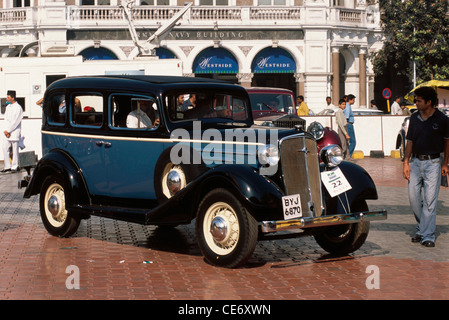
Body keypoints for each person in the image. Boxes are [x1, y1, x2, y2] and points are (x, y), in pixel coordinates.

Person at [403, 86, 449, 247]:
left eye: (419, 100)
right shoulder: (414, 118)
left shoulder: (442, 119)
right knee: (414, 198)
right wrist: (406, 162)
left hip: (434, 164)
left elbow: (447, 141)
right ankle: (422, 228)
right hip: (415, 163)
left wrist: (445, 163)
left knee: (430, 201)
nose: (416, 103)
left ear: (429, 102)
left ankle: (427, 235)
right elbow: (410, 141)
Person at [2, 90, 23, 173]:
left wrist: (9, 131)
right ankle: (7, 166)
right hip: (7, 132)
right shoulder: (8, 107)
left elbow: (16, 121)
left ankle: (15, 166)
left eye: (8, 97)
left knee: (15, 149)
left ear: (13, 97)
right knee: (4, 147)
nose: (7, 98)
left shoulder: (18, 108)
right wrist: (6, 131)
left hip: (14, 132)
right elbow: (6, 120)